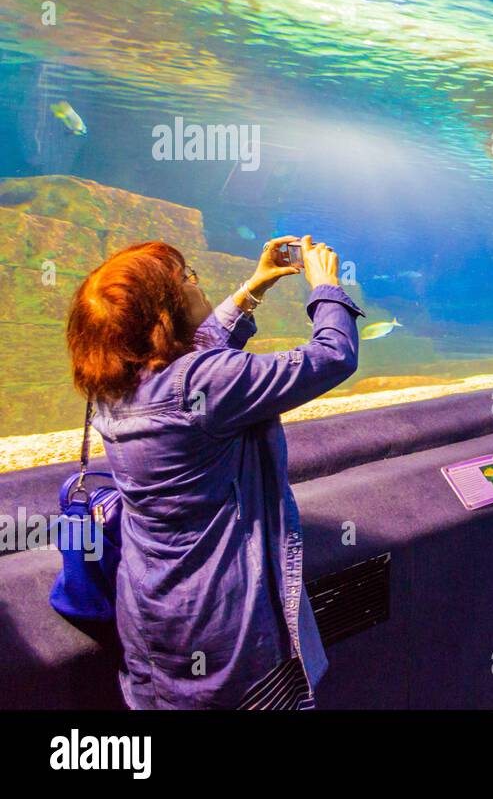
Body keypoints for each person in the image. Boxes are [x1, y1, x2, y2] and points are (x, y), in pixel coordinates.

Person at [65, 234, 364, 709]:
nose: (197, 283)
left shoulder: (113, 378)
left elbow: (187, 359)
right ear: (164, 315)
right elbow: (331, 357)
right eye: (188, 278)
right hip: (224, 623)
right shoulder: (202, 383)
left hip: (150, 609)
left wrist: (255, 287)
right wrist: (326, 285)